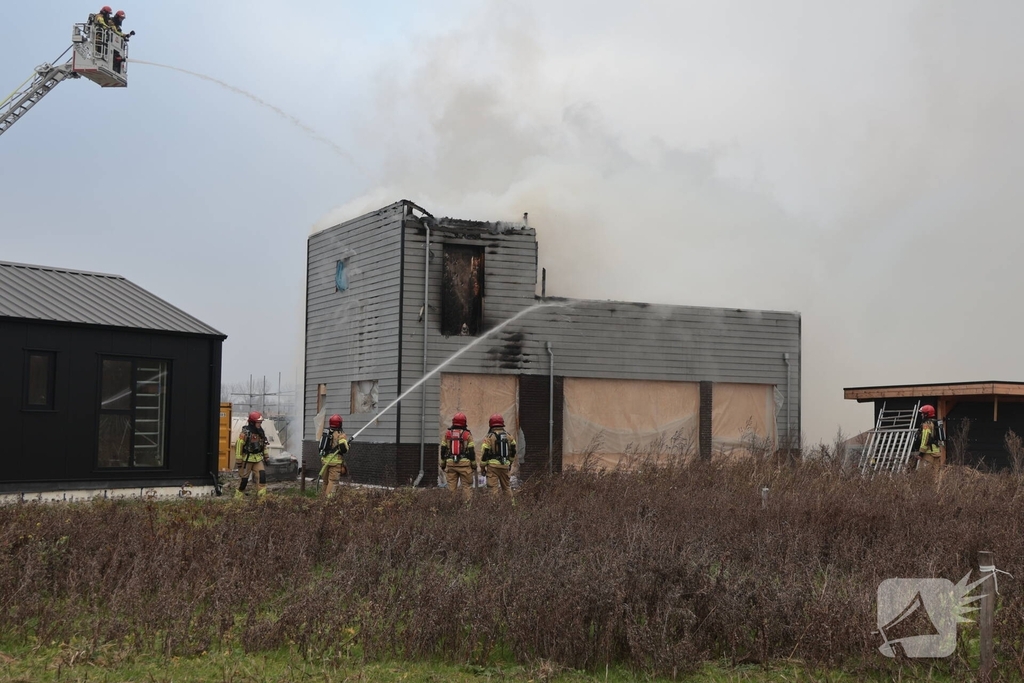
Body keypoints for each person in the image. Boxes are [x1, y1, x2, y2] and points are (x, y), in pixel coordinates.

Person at [480, 414, 517, 500]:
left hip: (492, 467)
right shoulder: (509, 436)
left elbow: (485, 452)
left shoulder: (489, 437)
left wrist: (482, 467)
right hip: (505, 466)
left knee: (493, 489)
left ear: (491, 424)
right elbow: (513, 450)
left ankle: (495, 508)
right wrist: (510, 463)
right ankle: (511, 506)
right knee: (507, 488)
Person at [440, 412, 476, 501]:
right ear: (464, 422)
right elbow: (471, 451)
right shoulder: (467, 435)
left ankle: (451, 505)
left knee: (451, 488)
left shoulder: (448, 434)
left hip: (451, 464)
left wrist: (443, 464)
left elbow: (443, 450)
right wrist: (474, 465)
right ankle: (467, 507)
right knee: (466, 487)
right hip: (465, 465)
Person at [235, 411, 269, 499]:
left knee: (262, 477)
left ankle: (262, 499)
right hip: (246, 459)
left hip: (257, 459)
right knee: (244, 480)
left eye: (260, 422)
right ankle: (237, 499)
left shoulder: (261, 432)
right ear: (252, 422)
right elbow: (239, 444)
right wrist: (238, 459)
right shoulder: (246, 433)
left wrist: (266, 456)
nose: (260, 424)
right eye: (258, 422)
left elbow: (263, 444)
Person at [319, 414, 349, 496]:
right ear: (340, 423)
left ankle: (322, 499)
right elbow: (344, 449)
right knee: (333, 481)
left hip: (325, 461)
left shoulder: (326, 432)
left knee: (325, 481)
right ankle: (329, 501)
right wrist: (347, 444)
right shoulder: (340, 434)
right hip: (335, 462)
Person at [916, 405, 943, 470]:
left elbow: (925, 439)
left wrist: (921, 453)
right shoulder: (935, 422)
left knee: (922, 474)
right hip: (937, 452)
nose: (921, 415)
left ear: (926, 414)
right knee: (935, 476)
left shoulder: (926, 424)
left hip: (928, 454)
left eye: (922, 413)